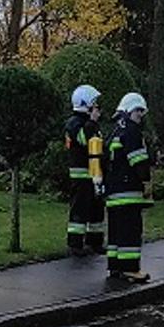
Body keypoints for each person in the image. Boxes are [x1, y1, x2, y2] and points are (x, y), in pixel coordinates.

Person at [103, 92, 153, 282]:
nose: (141, 115)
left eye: (142, 111)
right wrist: (146, 179)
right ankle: (130, 268)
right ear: (127, 110)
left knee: (116, 231)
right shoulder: (132, 131)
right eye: (138, 110)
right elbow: (139, 161)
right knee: (130, 230)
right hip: (128, 190)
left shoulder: (116, 130)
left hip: (114, 191)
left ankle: (115, 266)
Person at [62, 85, 107, 257]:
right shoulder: (74, 123)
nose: (98, 108)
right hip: (81, 174)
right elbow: (83, 140)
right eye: (94, 104)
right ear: (86, 104)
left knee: (96, 209)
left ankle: (95, 242)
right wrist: (92, 123)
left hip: (94, 173)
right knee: (79, 209)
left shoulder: (90, 124)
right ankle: (75, 244)